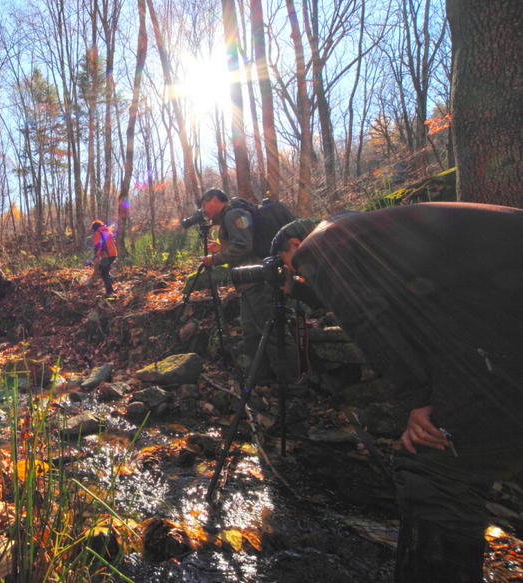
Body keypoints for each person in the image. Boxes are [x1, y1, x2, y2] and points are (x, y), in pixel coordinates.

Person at [271, 203, 523, 583]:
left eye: (289, 265)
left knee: (433, 469)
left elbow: (365, 315)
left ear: (295, 243)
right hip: (499, 323)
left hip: (496, 344)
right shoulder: (361, 229)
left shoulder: (320, 243)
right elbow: (381, 290)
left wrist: (417, 399)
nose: (295, 272)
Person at [198, 188, 301, 394]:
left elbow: (243, 245)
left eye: (204, 206)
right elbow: (244, 242)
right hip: (250, 283)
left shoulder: (232, 213)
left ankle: (295, 384)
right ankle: (259, 380)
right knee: (251, 333)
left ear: (215, 200)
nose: (203, 211)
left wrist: (215, 259)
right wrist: (221, 247)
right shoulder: (236, 213)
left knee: (272, 332)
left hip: (259, 282)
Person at [91, 220, 117, 297]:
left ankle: (109, 292)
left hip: (106, 255)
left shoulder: (98, 232)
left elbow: (98, 245)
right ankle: (112, 281)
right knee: (103, 268)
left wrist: (96, 257)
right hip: (114, 254)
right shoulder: (107, 231)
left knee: (104, 273)